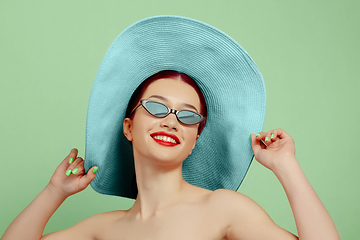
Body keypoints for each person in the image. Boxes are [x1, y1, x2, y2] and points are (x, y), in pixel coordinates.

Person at [1, 16, 340, 240]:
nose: (171, 120)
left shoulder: (224, 208)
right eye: (156, 106)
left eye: (188, 115)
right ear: (129, 126)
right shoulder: (103, 229)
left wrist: (286, 165)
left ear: (194, 141)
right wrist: (53, 193)